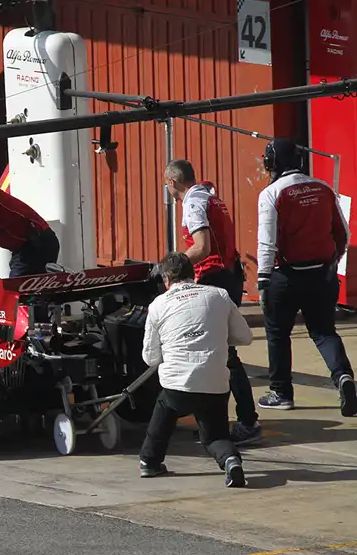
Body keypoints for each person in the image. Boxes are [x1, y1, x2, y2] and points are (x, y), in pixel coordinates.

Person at [256, 137, 357, 416]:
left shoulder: (271, 194)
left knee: (277, 334)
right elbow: (343, 234)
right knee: (324, 332)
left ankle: (281, 393)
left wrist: (263, 279)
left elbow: (267, 242)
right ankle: (343, 377)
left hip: (286, 277)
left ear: (272, 163)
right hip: (321, 275)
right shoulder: (323, 188)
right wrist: (331, 262)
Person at [163, 160, 261, 445]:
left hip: (214, 278)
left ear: (172, 182)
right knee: (221, 353)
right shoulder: (211, 197)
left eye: (166, 184)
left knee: (222, 356)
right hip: (229, 275)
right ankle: (218, 421)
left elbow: (202, 247)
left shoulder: (192, 203)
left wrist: (170, 267)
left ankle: (245, 421)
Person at [139, 252, 253, 488]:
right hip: (215, 382)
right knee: (215, 436)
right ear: (194, 274)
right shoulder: (219, 295)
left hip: (177, 384)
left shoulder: (158, 305)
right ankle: (231, 461)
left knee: (165, 409)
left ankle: (149, 461)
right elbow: (245, 336)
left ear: (166, 280)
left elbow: (150, 358)